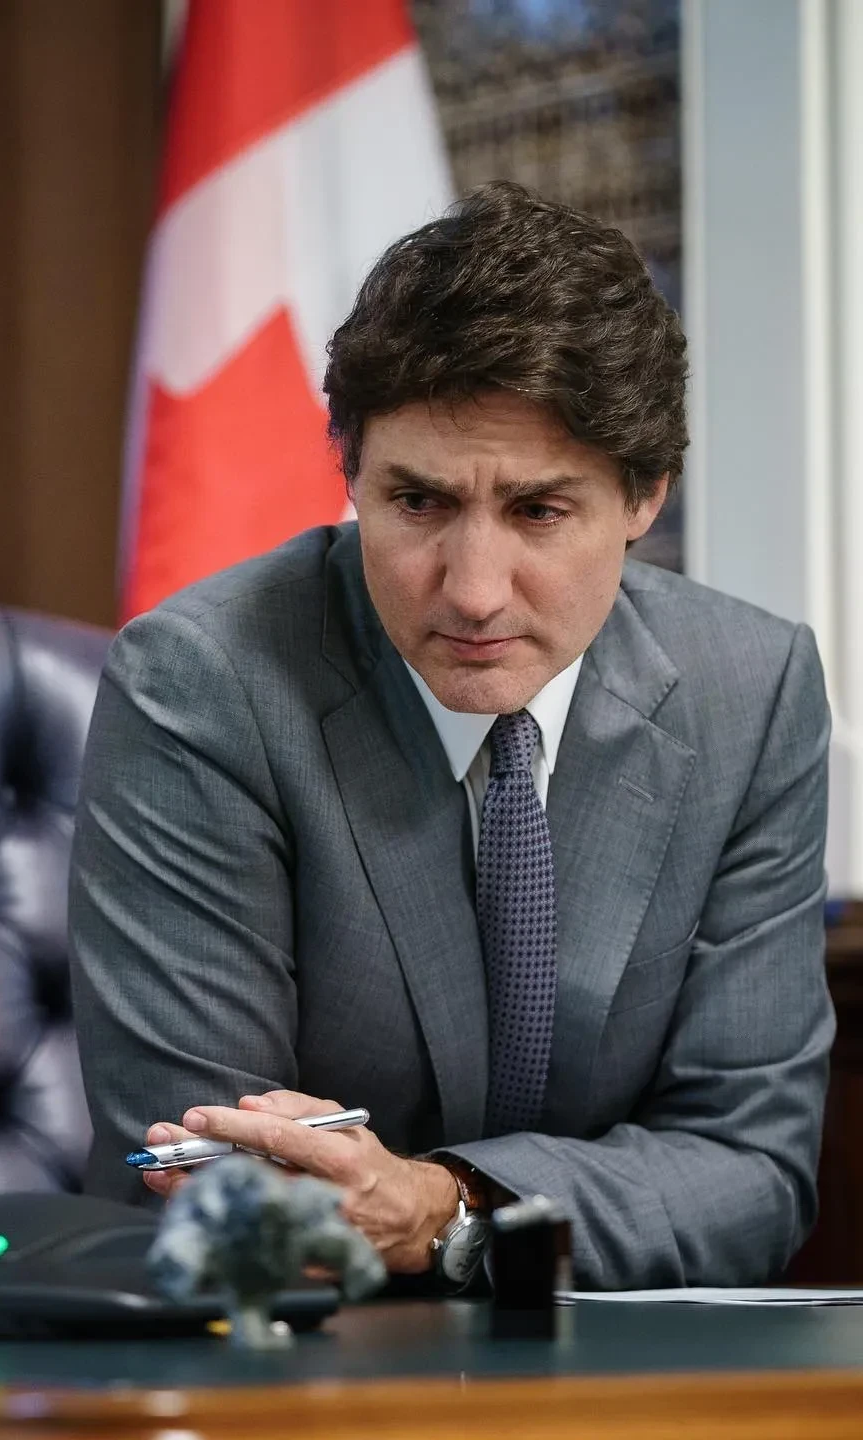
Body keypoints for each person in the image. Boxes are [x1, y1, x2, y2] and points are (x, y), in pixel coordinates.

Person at [68, 181, 833, 1292]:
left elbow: (753, 1170)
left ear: (645, 498)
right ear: (351, 475)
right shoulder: (202, 683)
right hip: (273, 1350)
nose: (473, 591)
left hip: (607, 1361)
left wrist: (450, 1209)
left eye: (538, 512)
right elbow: (211, 1172)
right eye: (418, 504)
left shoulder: (749, 692)